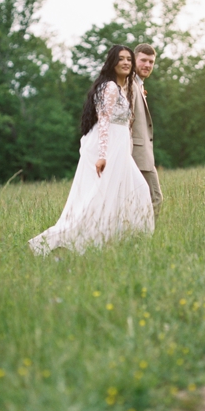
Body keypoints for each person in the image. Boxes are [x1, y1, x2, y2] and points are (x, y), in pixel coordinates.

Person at [28, 45, 154, 255]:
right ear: (112, 62)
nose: (126, 63)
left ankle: (114, 242)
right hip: (110, 149)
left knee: (126, 194)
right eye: (121, 59)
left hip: (120, 149)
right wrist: (102, 155)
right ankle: (57, 243)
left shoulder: (122, 87)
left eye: (129, 59)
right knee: (99, 199)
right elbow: (103, 120)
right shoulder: (111, 87)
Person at [132, 43, 162, 215]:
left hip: (143, 153)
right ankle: (147, 238)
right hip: (136, 154)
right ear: (134, 59)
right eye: (143, 60)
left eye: (151, 62)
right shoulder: (129, 84)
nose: (147, 65)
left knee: (142, 200)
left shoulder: (139, 85)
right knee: (155, 199)